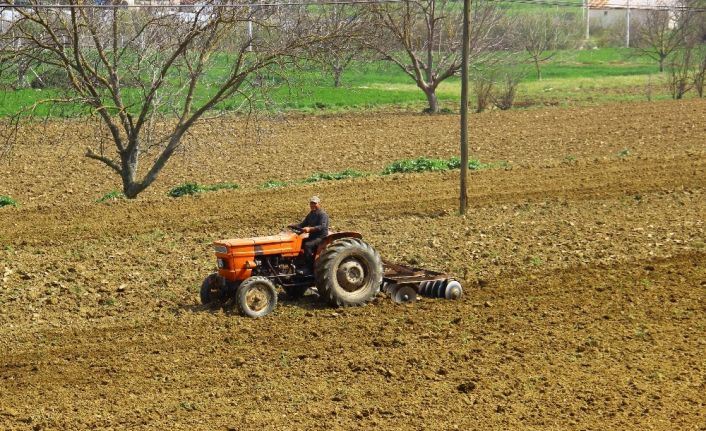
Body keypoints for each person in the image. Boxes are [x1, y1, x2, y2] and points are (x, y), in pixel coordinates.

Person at [288, 196, 329, 274]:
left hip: (321, 237)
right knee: (300, 243)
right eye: (311, 203)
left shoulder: (323, 214)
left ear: (319, 204)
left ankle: (309, 267)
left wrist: (310, 229)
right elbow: (303, 224)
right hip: (312, 236)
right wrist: (293, 226)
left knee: (308, 245)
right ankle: (299, 263)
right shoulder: (311, 214)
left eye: (314, 203)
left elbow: (322, 226)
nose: (313, 205)